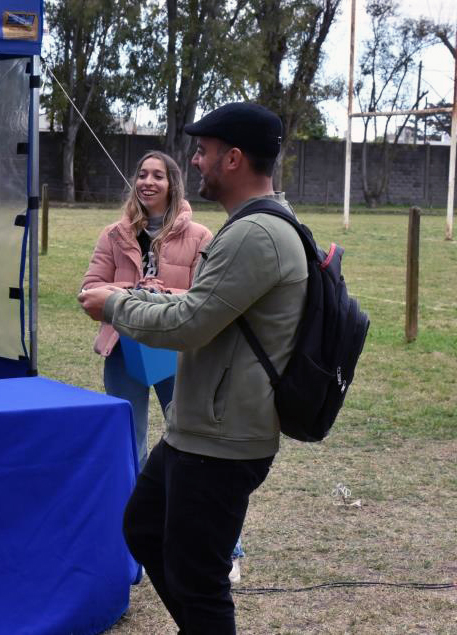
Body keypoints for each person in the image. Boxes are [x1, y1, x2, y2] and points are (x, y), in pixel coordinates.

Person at [78, 102, 307, 634]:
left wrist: (114, 304)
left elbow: (189, 322)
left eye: (202, 153)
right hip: (198, 427)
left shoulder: (257, 235)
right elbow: (201, 312)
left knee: (198, 579)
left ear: (233, 158)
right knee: (145, 528)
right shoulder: (247, 227)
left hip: (224, 440)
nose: (195, 163)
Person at [81, 150, 211, 471]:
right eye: (142, 174)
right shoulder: (114, 234)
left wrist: (159, 294)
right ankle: (134, 510)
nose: (147, 182)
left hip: (175, 348)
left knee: (187, 435)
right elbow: (90, 290)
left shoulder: (200, 237)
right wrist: (133, 293)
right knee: (127, 437)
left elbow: (204, 299)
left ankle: (180, 502)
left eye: (157, 175)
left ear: (172, 184)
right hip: (124, 346)